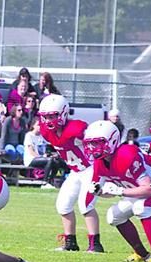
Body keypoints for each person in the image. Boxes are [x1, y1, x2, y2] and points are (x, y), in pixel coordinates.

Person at [84, 120, 151, 262]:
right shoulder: (100, 162)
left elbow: (149, 188)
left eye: (97, 143)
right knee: (114, 215)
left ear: (112, 140)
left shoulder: (127, 154)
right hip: (140, 190)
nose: (92, 148)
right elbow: (107, 192)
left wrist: (119, 191)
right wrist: (100, 191)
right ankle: (142, 254)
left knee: (141, 208)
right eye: (90, 143)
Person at [37, 94, 103, 252]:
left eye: (52, 116)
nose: (48, 120)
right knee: (63, 205)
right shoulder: (47, 132)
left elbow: (97, 140)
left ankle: (95, 244)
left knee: (85, 205)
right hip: (76, 171)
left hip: (91, 169)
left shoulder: (76, 128)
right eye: (46, 117)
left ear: (63, 113)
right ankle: (70, 243)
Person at [24, 120, 64, 187]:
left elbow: (51, 145)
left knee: (56, 161)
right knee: (50, 160)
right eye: (38, 125)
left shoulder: (42, 136)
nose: (40, 127)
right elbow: (31, 151)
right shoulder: (29, 135)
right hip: (31, 159)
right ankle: (45, 182)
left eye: (41, 125)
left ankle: (50, 181)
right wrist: (42, 157)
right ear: (33, 126)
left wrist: (53, 154)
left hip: (42, 159)